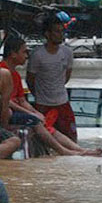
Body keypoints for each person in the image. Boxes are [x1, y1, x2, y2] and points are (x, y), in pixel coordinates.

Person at [0, 36, 101, 156]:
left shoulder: (15, 75)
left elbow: (22, 100)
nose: (27, 56)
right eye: (24, 52)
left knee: (45, 123)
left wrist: (35, 112)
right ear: (13, 54)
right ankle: (64, 151)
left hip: (18, 112)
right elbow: (5, 101)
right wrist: (31, 114)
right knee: (36, 122)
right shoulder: (0, 71)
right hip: (5, 114)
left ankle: (80, 150)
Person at [27, 11, 78, 142]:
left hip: (63, 103)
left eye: (62, 31)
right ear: (47, 34)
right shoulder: (37, 55)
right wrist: (40, 94)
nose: (60, 34)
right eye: (56, 31)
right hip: (43, 105)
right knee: (42, 141)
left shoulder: (67, 52)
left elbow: (66, 76)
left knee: (71, 139)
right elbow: (30, 80)